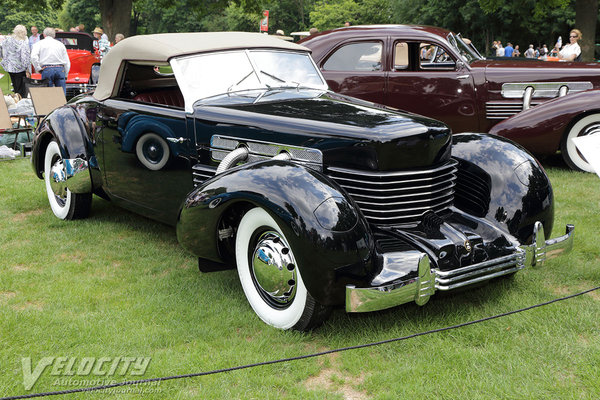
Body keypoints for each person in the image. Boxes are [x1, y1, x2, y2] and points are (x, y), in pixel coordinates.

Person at [30, 27, 70, 94]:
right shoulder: (61, 44)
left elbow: (33, 57)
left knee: (47, 94)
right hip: (60, 69)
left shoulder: (38, 44)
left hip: (47, 69)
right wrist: (66, 74)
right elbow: (67, 61)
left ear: (44, 35)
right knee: (61, 94)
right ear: (54, 35)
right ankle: (62, 104)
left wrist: (38, 68)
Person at [1, 25, 31, 98]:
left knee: (15, 87)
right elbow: (25, 58)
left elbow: (3, 53)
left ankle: (16, 101)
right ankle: (21, 103)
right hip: (20, 68)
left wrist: (5, 63)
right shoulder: (23, 43)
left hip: (10, 67)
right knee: (21, 90)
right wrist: (27, 69)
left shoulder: (7, 41)